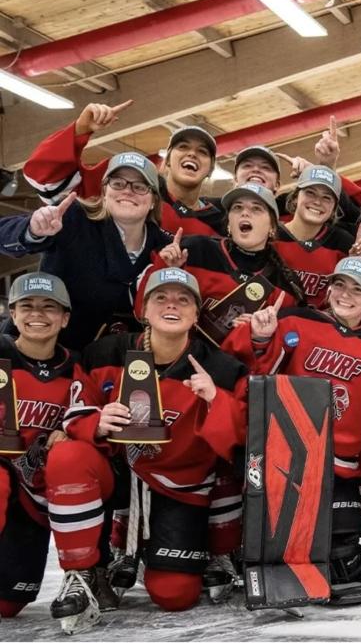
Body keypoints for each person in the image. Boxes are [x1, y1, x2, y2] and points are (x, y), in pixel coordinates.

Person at [47, 268, 246, 631]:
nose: (172, 305)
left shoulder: (219, 366)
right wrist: (96, 422)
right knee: (67, 455)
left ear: (196, 314)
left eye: (183, 300)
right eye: (161, 298)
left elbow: (239, 442)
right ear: (143, 310)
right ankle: (82, 574)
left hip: (179, 484)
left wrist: (216, 399)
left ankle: (196, 549)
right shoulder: (104, 352)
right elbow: (76, 411)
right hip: (120, 476)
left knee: (174, 594)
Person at [224, 257, 361, 599]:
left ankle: (342, 563)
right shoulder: (295, 321)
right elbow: (255, 378)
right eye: (340, 285)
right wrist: (259, 338)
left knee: (343, 554)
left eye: (357, 290)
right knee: (282, 539)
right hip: (286, 455)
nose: (345, 295)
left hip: (341, 465)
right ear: (329, 289)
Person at [0, 152, 169, 349]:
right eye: (118, 184)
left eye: (139, 187)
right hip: (40, 351)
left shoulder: (165, 247)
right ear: (105, 192)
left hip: (112, 359)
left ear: (154, 200)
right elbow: (3, 235)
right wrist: (32, 229)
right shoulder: (73, 217)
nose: (127, 191)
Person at [0, 274, 81, 619]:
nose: (37, 314)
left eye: (49, 307)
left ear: (65, 318)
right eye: (27, 306)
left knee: (8, 604)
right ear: (13, 314)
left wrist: (71, 431)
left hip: (34, 492)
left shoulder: (77, 366)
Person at [21, 103, 226, 237]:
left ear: (210, 169)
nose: (192, 154)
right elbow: (45, 179)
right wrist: (81, 129)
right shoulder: (122, 183)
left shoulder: (225, 220)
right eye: (182, 147)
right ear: (167, 161)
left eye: (202, 152)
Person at [152, 182, 306, 322]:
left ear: (272, 227)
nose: (245, 213)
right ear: (228, 225)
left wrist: (260, 337)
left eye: (256, 208)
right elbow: (146, 310)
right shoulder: (192, 250)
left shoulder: (286, 286)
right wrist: (166, 268)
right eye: (237, 207)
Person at [276, 166, 356, 307]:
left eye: (326, 197)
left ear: (334, 209)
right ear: (295, 198)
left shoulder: (344, 243)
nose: (317, 202)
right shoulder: (269, 234)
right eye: (310, 193)